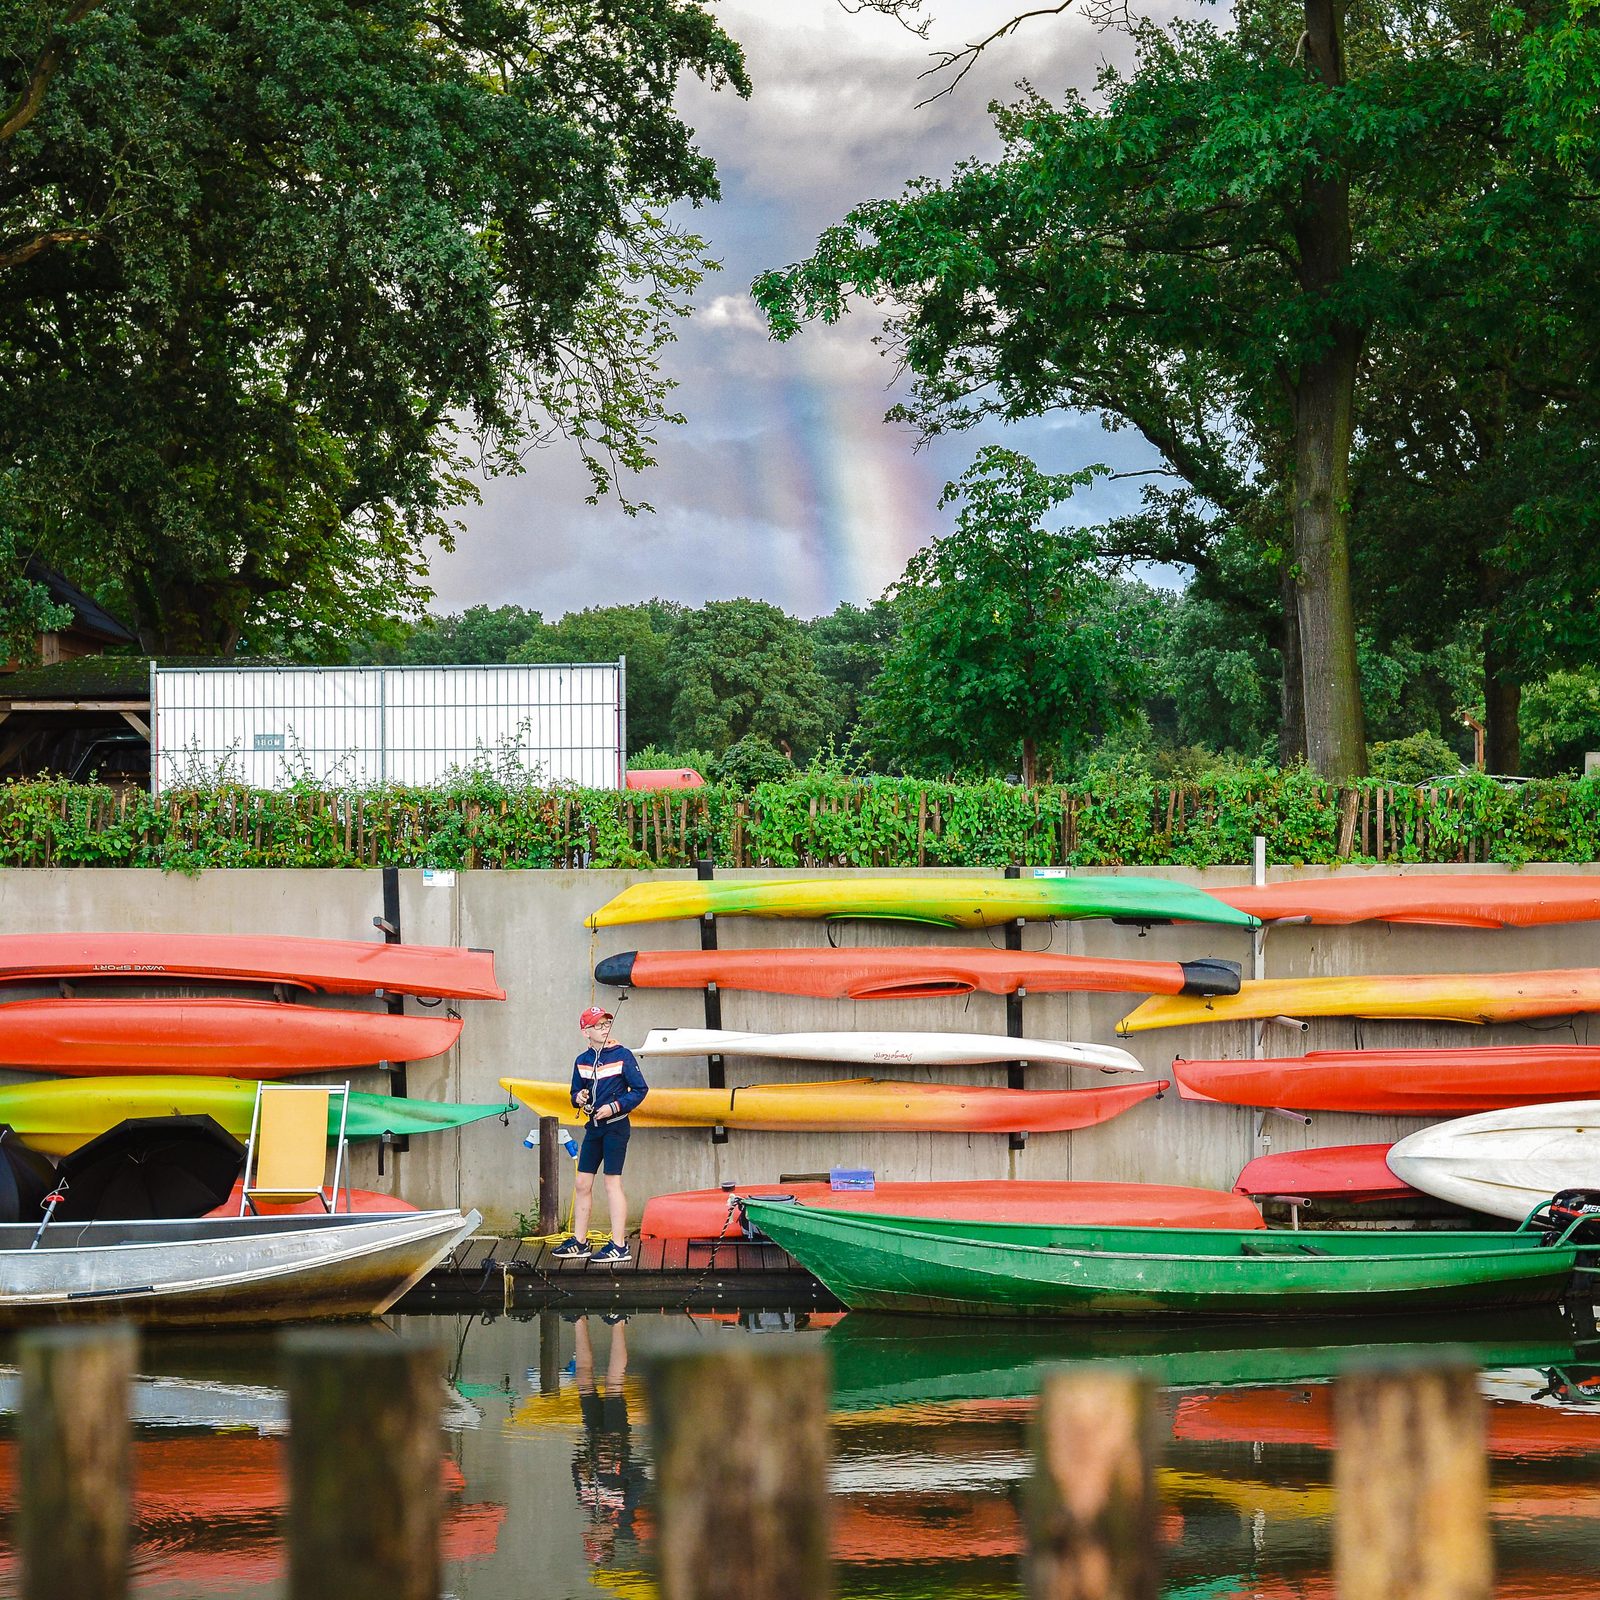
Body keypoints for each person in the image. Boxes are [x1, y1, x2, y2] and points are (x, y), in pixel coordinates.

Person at [551, 1005, 647, 1263]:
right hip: (593, 1128)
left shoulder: (623, 1055)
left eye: (606, 1024)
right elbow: (574, 1093)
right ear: (586, 1032)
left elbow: (640, 1090)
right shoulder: (581, 1061)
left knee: (611, 1183)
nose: (604, 1029)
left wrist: (613, 1107)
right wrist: (578, 1097)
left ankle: (619, 1245)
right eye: (598, 1025)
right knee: (582, 1183)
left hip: (616, 1127)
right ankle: (580, 1243)